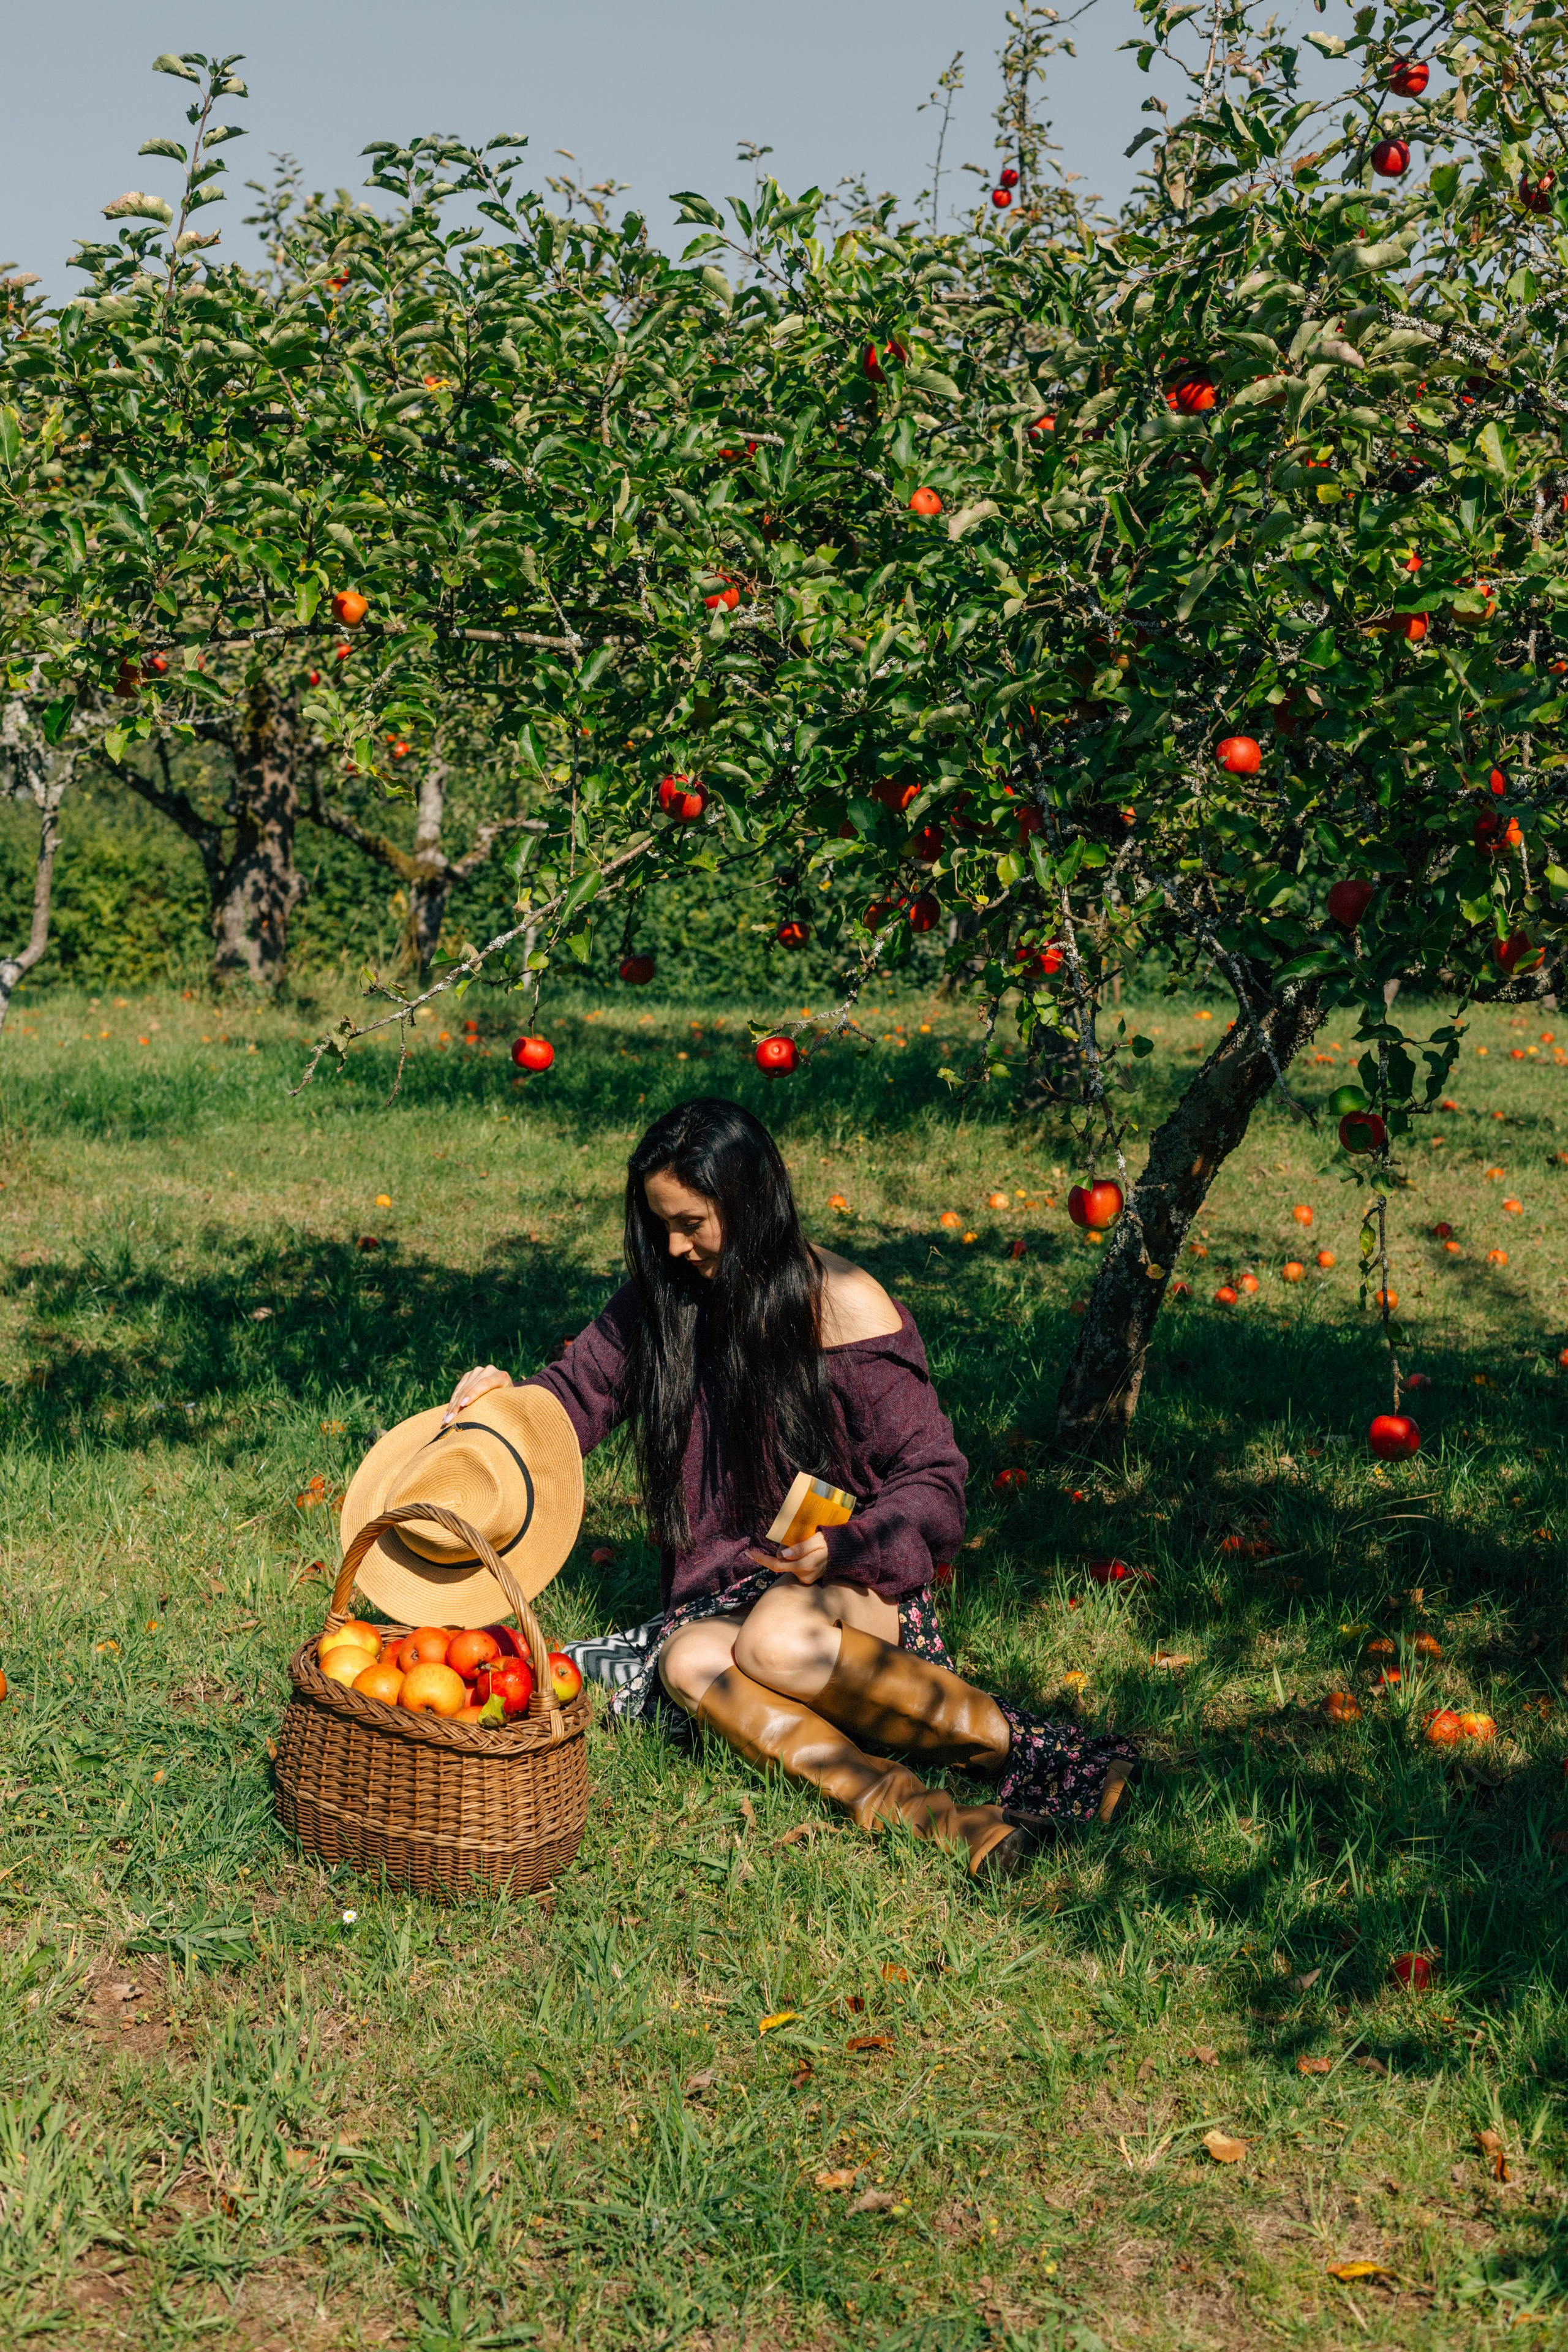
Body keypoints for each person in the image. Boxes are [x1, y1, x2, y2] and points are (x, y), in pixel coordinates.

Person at [446, 1096, 1136, 1877]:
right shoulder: (664, 1301)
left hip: (851, 1585)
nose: (672, 1246)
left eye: (692, 1224)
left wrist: (840, 1546)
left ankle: (1040, 1752)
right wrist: (503, 1410)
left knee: (774, 1640)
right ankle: (942, 1822)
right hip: (725, 1598)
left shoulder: (842, 1307)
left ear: (750, 1204)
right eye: (658, 1224)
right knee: (686, 1664)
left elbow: (933, 1479)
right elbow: (573, 1402)